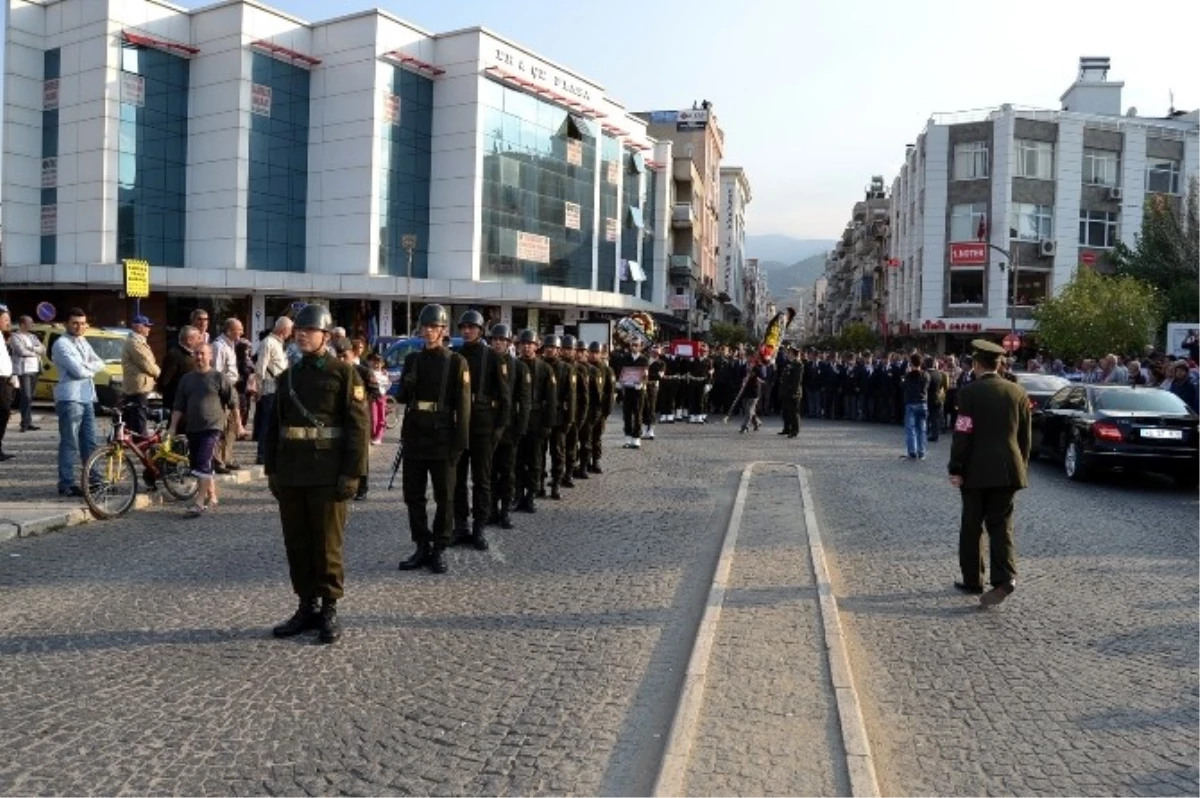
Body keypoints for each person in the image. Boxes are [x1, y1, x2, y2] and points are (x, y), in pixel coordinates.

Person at [264, 304, 369, 645]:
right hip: (292, 471)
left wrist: (352, 473)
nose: (303, 335)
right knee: (297, 543)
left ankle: (329, 608)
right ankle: (305, 605)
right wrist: (272, 469)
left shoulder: (344, 374)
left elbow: (357, 428)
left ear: (325, 335)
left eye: (309, 331)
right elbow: (273, 425)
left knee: (327, 544)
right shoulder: (288, 376)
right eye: (299, 331)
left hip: (327, 473)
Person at [948, 339, 1031, 608]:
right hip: (1008, 469)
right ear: (999, 364)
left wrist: (956, 468)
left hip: (975, 471)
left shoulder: (969, 394)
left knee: (972, 526)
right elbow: (1024, 437)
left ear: (976, 364)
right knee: (1001, 525)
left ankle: (973, 578)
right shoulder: (1017, 392)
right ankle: (1005, 577)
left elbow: (962, 433)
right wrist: (1021, 467)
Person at [397, 304, 471, 575]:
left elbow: (463, 408)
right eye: (424, 327)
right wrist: (407, 383)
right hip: (415, 435)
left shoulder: (456, 362)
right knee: (413, 496)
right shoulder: (412, 360)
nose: (428, 332)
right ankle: (421, 545)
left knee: (445, 497)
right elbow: (403, 397)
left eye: (434, 327)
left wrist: (460, 444)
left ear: (443, 330)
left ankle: (439, 547)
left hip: (442, 437)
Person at [452, 310, 509, 549]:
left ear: (480, 330)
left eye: (471, 327)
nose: (467, 331)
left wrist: (499, 429)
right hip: (458, 427)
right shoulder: (454, 356)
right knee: (457, 480)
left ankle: (479, 528)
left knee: (481, 480)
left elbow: (505, 397)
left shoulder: (493, 357)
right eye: (463, 327)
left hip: (483, 426)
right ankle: (461, 525)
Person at [170, 342, 233, 517]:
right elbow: (178, 406)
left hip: (213, 426)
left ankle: (199, 502)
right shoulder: (186, 379)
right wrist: (173, 427)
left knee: (204, 462)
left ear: (210, 356)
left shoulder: (219, 377)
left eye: (203, 354)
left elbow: (233, 402)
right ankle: (212, 495)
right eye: (196, 354)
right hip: (193, 428)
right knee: (199, 463)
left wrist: (240, 426)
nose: (199, 357)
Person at [51, 308, 104, 496]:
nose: (79, 326)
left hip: (87, 396)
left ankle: (94, 479)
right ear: (67, 323)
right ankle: (66, 483)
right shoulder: (61, 344)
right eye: (75, 323)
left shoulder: (83, 341)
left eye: (82, 323)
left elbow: (100, 362)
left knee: (90, 442)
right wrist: (88, 368)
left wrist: (86, 367)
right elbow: (77, 371)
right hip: (70, 397)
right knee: (70, 442)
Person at [487, 324, 529, 529]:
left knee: (507, 472)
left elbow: (524, 400)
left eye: (501, 340)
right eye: (494, 339)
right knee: (488, 472)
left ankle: (505, 511)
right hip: (487, 427)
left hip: (508, 429)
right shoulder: (485, 364)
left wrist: (520, 428)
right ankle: (491, 510)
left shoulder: (518, 367)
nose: (497, 343)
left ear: (508, 343)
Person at [331, 338, 377, 500]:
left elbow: (375, 391)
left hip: (359, 418)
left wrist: (364, 402)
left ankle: (362, 488)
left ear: (352, 354)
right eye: (339, 356)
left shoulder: (363, 372)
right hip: (339, 418)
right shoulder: (332, 373)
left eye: (345, 356)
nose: (342, 360)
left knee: (360, 453)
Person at [515, 329, 556, 513]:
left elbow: (552, 399)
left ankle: (531, 495)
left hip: (537, 420)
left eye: (529, 344)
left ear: (536, 346)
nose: (526, 347)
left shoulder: (545, 368)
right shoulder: (514, 365)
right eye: (523, 343)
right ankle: (517, 494)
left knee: (535, 460)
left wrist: (548, 423)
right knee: (516, 460)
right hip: (516, 419)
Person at [253, 317, 292, 465]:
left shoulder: (278, 343)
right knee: (267, 422)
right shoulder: (268, 342)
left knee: (276, 422)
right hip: (269, 388)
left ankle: (272, 451)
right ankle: (262, 454)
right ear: (284, 330)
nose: (290, 334)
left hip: (279, 388)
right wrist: (259, 388)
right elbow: (260, 367)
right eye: (289, 330)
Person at [212, 318, 246, 472]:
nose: (242, 332)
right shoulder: (219, 346)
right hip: (223, 389)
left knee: (232, 426)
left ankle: (227, 457)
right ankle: (217, 460)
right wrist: (222, 393)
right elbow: (217, 371)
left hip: (232, 387)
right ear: (229, 330)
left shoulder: (231, 345)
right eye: (239, 329)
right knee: (222, 425)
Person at [120, 314, 160, 436]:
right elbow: (146, 363)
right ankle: (140, 444)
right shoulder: (134, 343)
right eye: (146, 326)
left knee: (135, 416)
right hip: (138, 387)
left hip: (140, 386)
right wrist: (159, 374)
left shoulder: (139, 341)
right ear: (138, 327)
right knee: (139, 418)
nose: (149, 329)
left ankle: (134, 440)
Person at [10, 315, 45, 432]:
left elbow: (43, 349)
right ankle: (24, 423)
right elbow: (21, 351)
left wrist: (31, 348)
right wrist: (35, 351)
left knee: (30, 397)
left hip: (35, 369)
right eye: (30, 322)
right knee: (26, 396)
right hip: (24, 370)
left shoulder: (33, 336)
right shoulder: (15, 336)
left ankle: (28, 422)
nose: (32, 324)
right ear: (22, 324)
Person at [618, 340, 649, 449]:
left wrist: (642, 383)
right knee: (627, 414)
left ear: (641, 347)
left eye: (636, 345)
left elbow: (645, 375)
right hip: (628, 389)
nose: (634, 347)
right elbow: (622, 372)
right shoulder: (625, 358)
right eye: (632, 345)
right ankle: (627, 438)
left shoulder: (644, 359)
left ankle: (636, 438)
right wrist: (620, 382)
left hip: (639, 390)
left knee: (638, 413)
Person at [902, 353, 931, 460]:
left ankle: (912, 451)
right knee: (922, 429)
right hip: (923, 403)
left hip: (911, 403)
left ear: (911, 363)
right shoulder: (926, 375)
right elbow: (927, 387)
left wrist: (905, 376)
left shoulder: (908, 376)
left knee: (911, 429)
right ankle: (922, 451)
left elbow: (903, 386)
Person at [778, 346, 803, 438]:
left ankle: (795, 430)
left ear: (794, 354)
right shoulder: (789, 364)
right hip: (785, 392)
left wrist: (794, 392)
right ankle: (786, 428)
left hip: (793, 393)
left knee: (793, 412)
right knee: (785, 412)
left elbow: (797, 380)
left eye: (789, 353)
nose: (788, 354)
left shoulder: (798, 364)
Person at [0, 308, 15, 460]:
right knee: (3, 412)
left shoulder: (3, 337)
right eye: (5, 319)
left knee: (4, 413)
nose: (8, 322)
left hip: (6, 379)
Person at [368, 353, 389, 445]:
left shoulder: (385, 373)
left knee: (381, 417)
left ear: (382, 363)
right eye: (375, 362)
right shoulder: (370, 372)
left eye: (378, 363)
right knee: (373, 417)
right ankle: (373, 435)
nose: (376, 365)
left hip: (382, 396)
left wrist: (382, 382)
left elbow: (388, 384)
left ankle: (378, 436)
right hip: (373, 397)